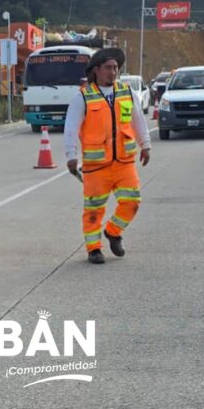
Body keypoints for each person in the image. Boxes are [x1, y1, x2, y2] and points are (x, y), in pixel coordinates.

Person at [64, 48, 152, 264]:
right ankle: (93, 249)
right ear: (96, 70)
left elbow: (137, 120)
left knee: (132, 203)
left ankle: (113, 232)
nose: (113, 72)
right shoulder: (83, 97)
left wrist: (145, 145)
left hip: (124, 162)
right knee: (94, 210)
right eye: (108, 68)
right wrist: (71, 155)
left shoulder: (127, 92)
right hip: (96, 166)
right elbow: (71, 127)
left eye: (116, 68)